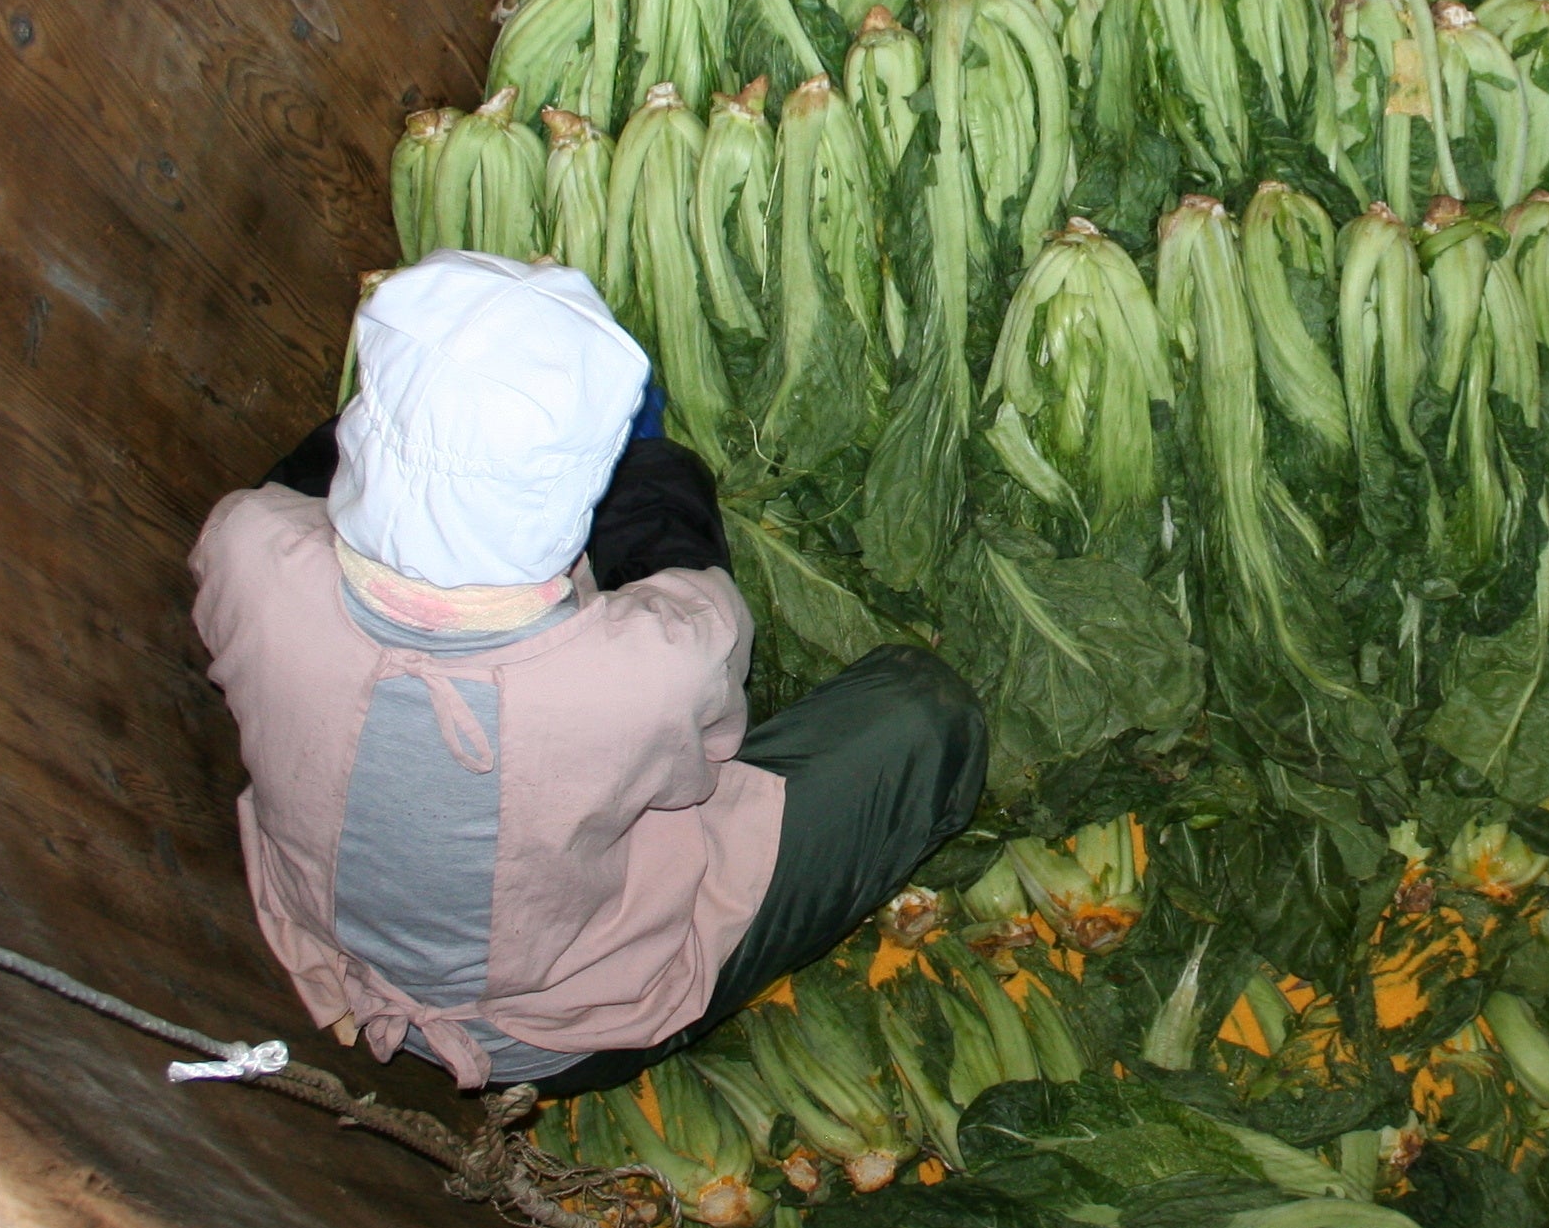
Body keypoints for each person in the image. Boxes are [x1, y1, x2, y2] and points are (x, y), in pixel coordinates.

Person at [188, 250, 984, 1099]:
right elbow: (706, 718)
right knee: (924, 715)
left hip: (328, 947)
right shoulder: (653, 669)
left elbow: (303, 488)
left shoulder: (244, 547)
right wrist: (658, 474)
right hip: (569, 1027)